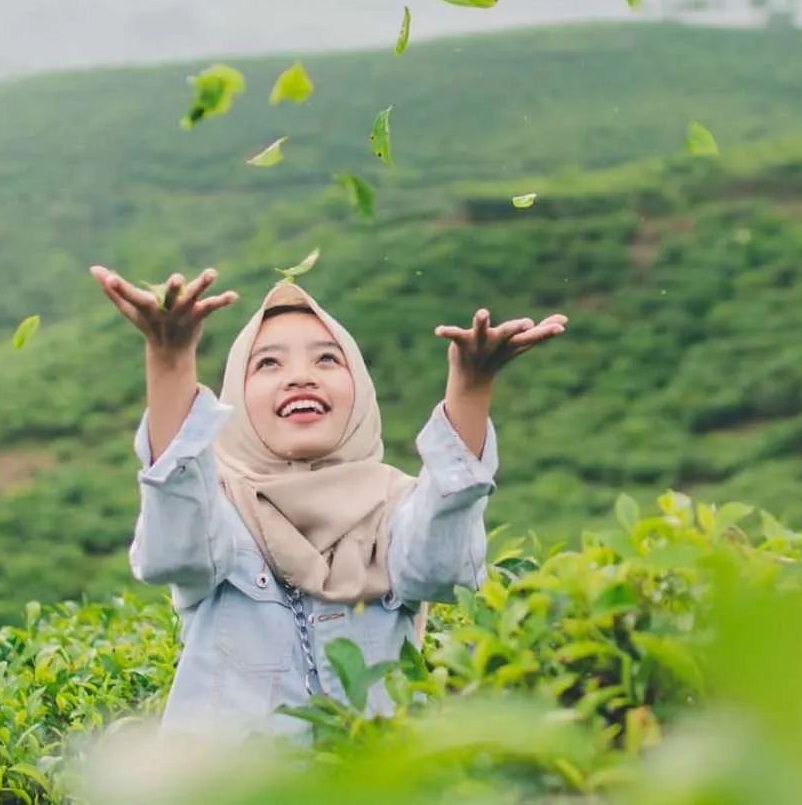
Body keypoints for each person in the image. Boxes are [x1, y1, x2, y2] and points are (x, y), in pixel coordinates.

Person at [89, 264, 567, 742]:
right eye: (268, 364)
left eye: (327, 360)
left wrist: (471, 388)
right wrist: (170, 362)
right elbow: (174, 548)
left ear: (359, 390)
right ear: (236, 395)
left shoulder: (396, 506)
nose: (300, 377)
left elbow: (443, 570)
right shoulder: (219, 510)